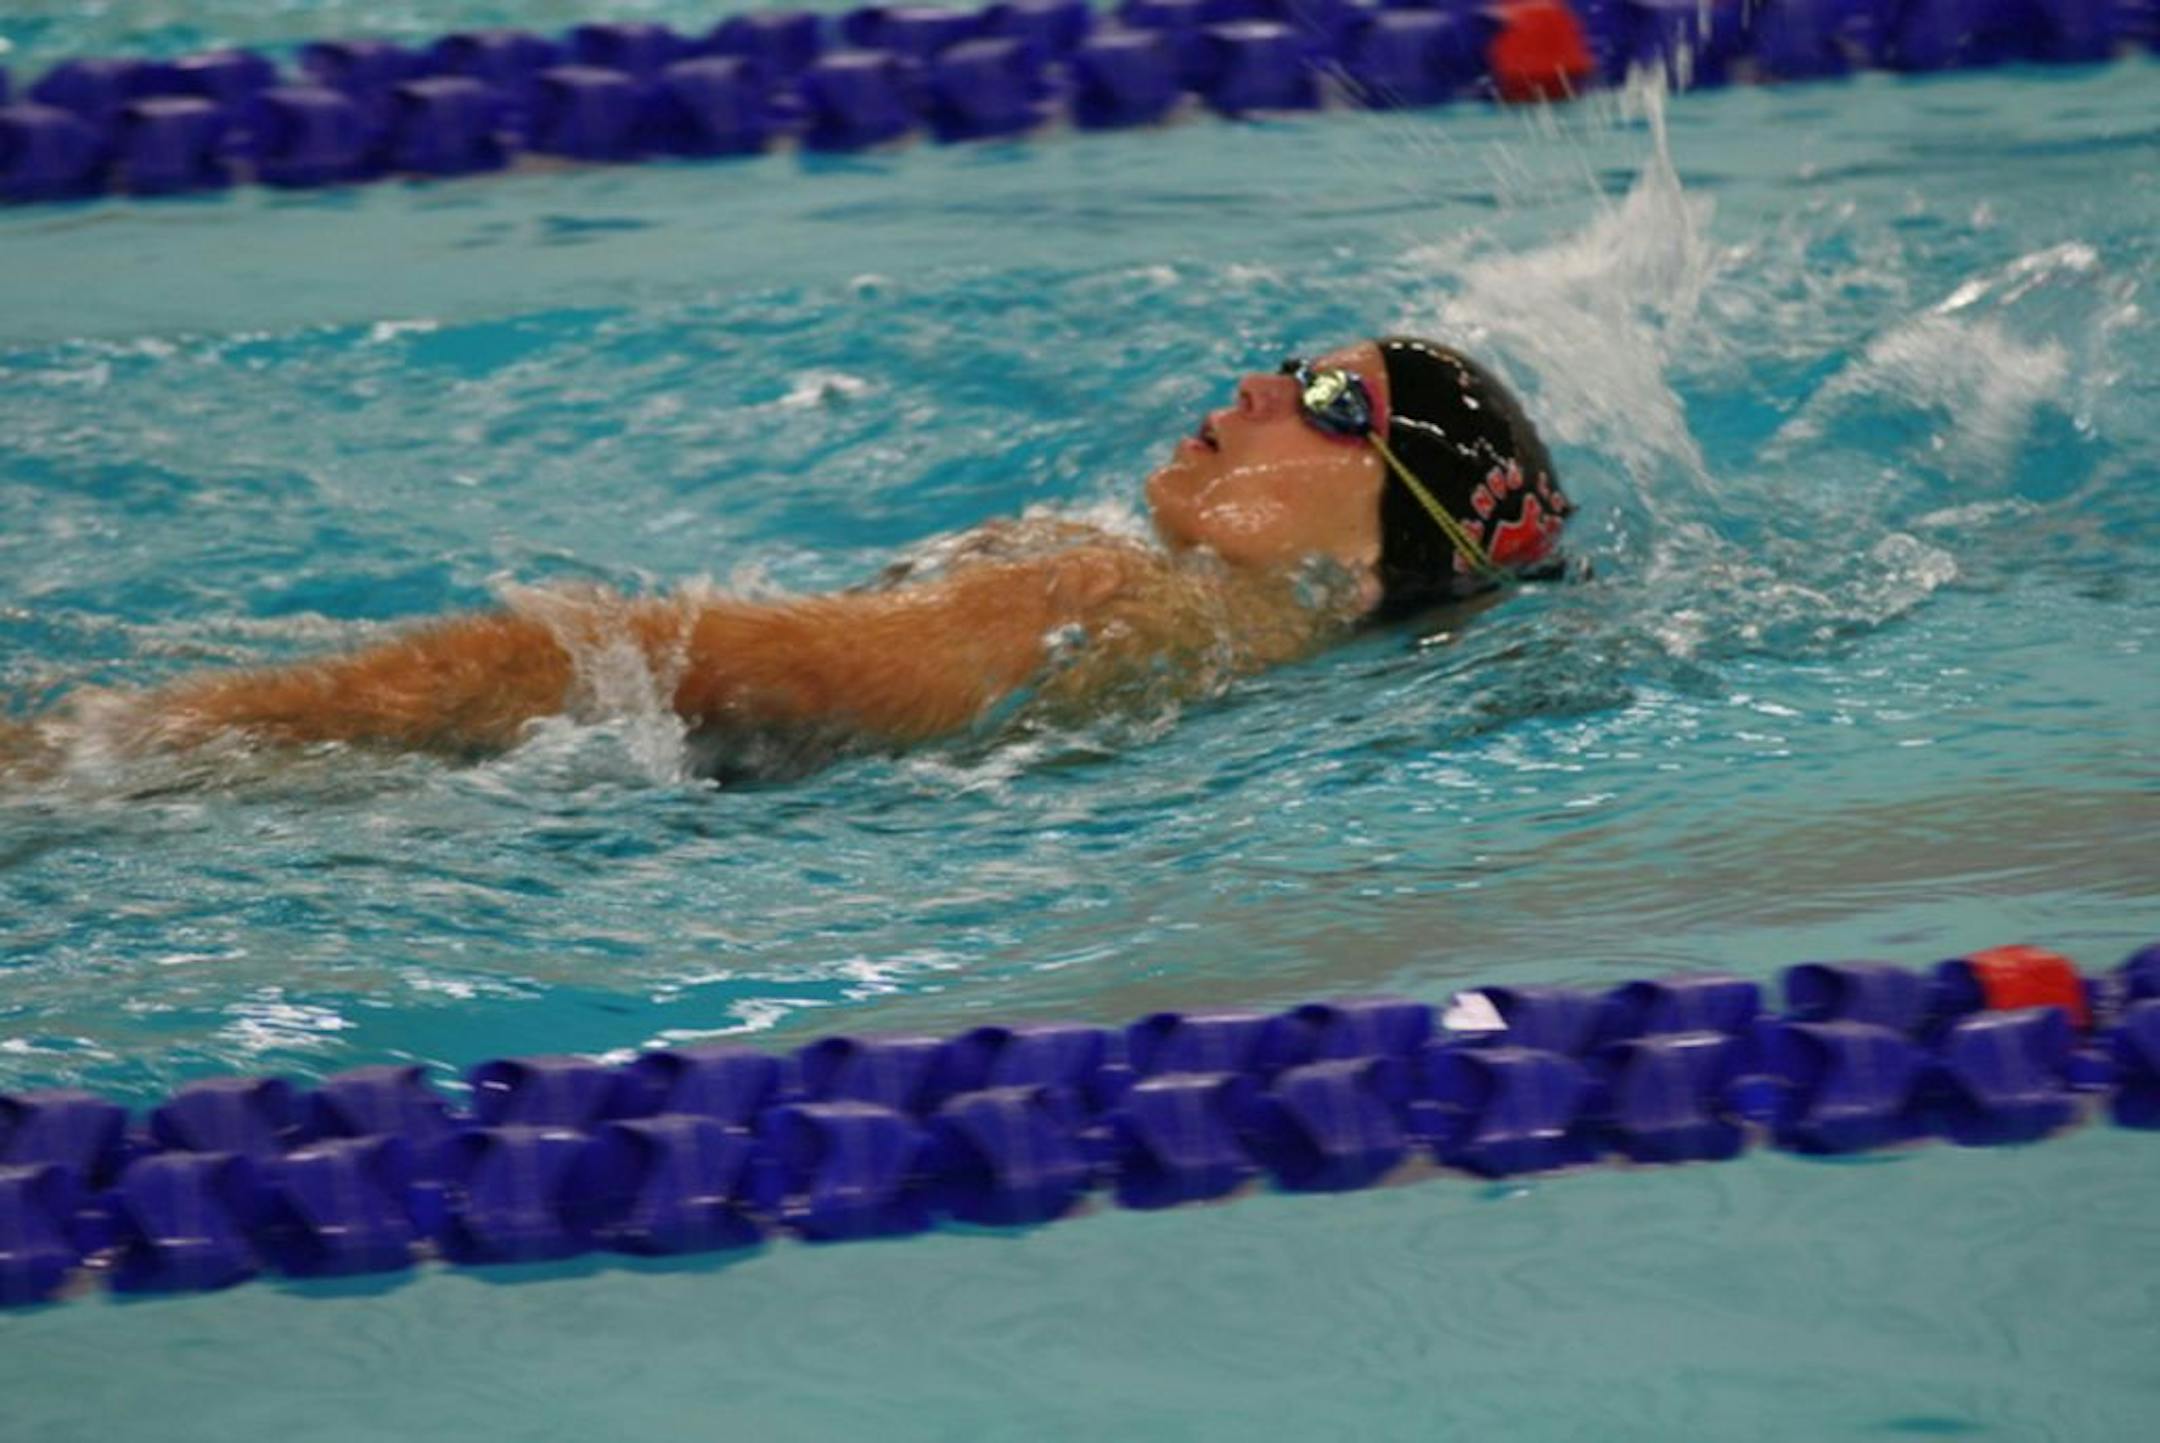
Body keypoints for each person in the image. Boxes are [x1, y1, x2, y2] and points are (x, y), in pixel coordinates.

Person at [0, 337, 1570, 784]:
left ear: (1382, 554)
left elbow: (612, 662)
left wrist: (98, 747)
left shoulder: (1098, 592)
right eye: (1285, 364)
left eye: (1327, 403)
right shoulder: (1252, 668)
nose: (1255, 389)